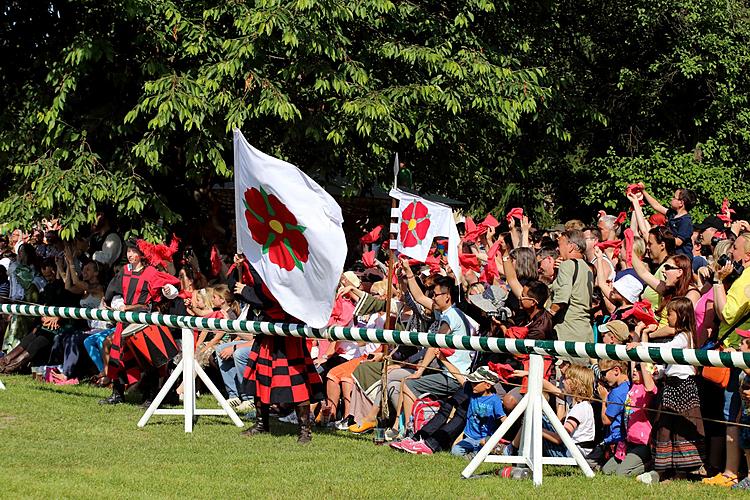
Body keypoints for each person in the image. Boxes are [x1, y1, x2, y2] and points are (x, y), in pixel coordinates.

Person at [232, 254, 324, 444]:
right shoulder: (267, 265)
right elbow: (236, 289)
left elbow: (271, 296)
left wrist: (247, 291)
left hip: (289, 334)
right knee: (262, 381)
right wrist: (240, 266)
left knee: (297, 384)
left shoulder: (292, 270)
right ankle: (261, 425)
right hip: (268, 332)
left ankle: (305, 431)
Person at [636, 298, 704, 483]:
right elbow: (671, 361)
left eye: (671, 313)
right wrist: (661, 371)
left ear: (681, 315)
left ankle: (683, 471)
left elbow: (667, 349)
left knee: (682, 426)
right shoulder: (680, 336)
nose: (668, 317)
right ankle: (669, 469)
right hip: (672, 383)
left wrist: (642, 346)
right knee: (667, 426)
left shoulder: (684, 336)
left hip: (683, 386)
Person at [705, 232, 750, 487]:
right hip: (741, 354)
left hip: (738, 355)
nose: (730, 251)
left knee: (732, 414)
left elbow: (726, 315)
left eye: (735, 247)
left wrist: (717, 281)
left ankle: (731, 473)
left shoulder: (746, 280)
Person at [602, 361, 657, 476]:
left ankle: (650, 465)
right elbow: (632, 363)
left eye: (639, 369)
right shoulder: (632, 386)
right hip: (629, 442)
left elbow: (649, 385)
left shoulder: (647, 390)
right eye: (634, 369)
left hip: (642, 443)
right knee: (606, 471)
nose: (635, 371)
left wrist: (643, 359)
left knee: (621, 474)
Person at [450, 366, 506, 458]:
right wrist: (442, 359)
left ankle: (475, 455)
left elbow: (504, 419)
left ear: (487, 385)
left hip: (484, 439)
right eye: (472, 382)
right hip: (469, 438)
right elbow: (457, 375)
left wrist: (493, 439)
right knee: (456, 451)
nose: (472, 385)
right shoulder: (472, 392)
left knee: (483, 453)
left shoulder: (495, 400)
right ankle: (474, 455)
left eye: (475, 383)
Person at [550, 230, 593, 343]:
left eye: (560, 245)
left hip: (568, 331)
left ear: (571, 247)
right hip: (584, 330)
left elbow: (562, 297)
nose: (558, 249)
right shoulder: (587, 268)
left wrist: (547, 316)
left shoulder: (567, 265)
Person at [588, 359, 630, 470]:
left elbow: (606, 420)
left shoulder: (616, 393)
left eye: (603, 373)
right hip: (622, 439)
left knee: (588, 463)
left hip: (615, 440)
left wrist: (604, 399)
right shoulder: (628, 386)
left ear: (616, 370)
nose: (603, 377)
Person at [641, 186, 696, 258]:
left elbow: (678, 242)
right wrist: (643, 191)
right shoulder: (672, 214)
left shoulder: (685, 221)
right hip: (671, 256)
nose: (671, 199)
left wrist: (661, 237)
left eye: (674, 197)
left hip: (682, 259)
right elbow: (656, 206)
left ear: (681, 203)